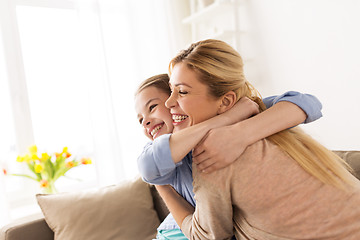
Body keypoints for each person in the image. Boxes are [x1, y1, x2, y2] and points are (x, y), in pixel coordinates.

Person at [153, 39, 360, 239]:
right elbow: (308, 103)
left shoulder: (213, 151)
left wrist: (161, 185)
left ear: (226, 101)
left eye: (182, 92)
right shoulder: (266, 116)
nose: (169, 102)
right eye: (171, 90)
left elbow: (205, 236)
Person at [135, 72, 323, 239]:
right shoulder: (162, 156)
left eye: (152, 107)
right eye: (140, 119)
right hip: (175, 233)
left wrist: (241, 133)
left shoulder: (229, 112)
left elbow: (308, 103)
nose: (146, 122)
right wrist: (226, 119)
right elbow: (147, 168)